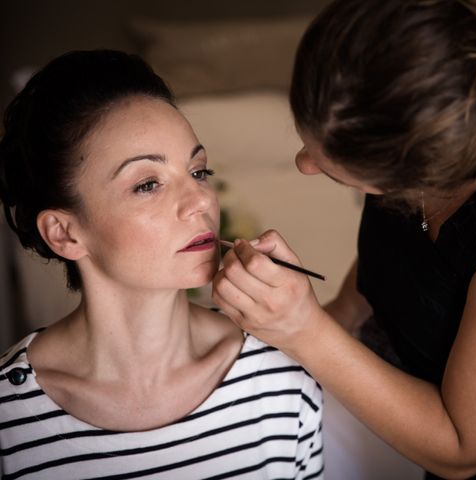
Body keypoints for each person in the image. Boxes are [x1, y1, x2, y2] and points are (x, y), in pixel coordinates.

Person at [211, 0, 476, 478]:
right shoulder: (416, 95)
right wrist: (341, 316)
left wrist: (305, 330)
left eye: (333, 167)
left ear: (433, 167)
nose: (303, 164)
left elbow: (462, 447)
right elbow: (408, 248)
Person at [0, 49, 323, 480]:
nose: (201, 201)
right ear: (64, 233)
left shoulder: (281, 382)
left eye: (199, 171)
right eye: (148, 184)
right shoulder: (8, 419)